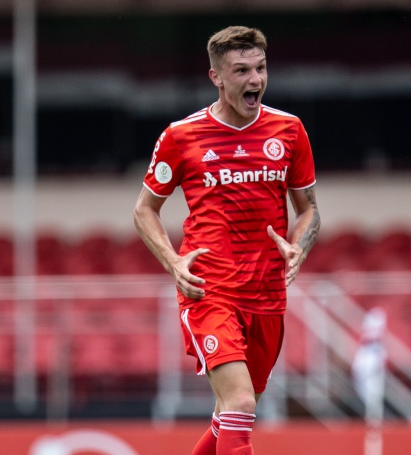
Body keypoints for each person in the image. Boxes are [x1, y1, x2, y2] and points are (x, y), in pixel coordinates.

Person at [134, 25, 320, 455]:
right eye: (241, 71)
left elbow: (309, 207)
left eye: (260, 68)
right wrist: (173, 262)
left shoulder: (289, 131)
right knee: (239, 402)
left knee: (234, 413)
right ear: (216, 77)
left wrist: (299, 244)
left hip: (268, 292)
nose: (255, 80)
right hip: (209, 289)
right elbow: (144, 209)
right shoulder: (182, 136)